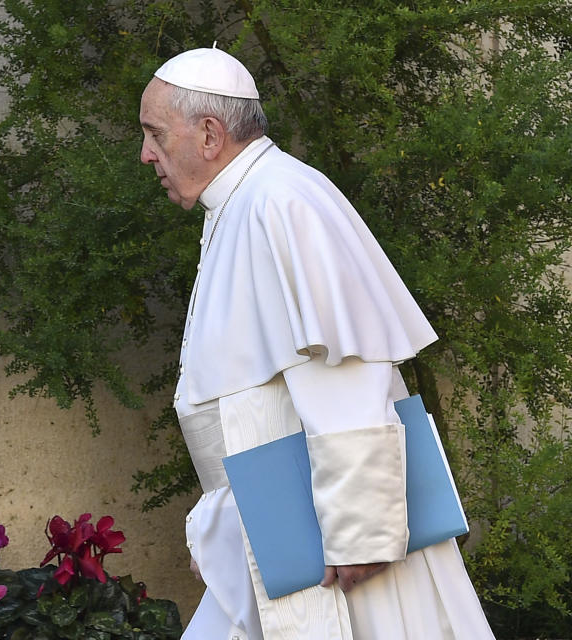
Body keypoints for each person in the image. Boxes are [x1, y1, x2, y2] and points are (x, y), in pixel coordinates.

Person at [139, 46, 495, 640]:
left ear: (208, 133)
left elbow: (346, 371)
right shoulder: (241, 203)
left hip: (340, 554)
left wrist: (361, 532)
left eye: (155, 133)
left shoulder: (282, 201)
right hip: (286, 531)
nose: (146, 153)